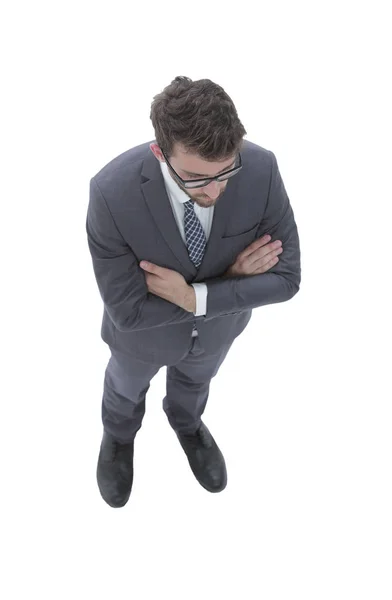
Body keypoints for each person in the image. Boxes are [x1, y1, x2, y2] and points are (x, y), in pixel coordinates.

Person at [86, 75, 301, 508]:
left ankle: (187, 424)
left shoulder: (261, 168)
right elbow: (128, 312)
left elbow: (287, 279)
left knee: (197, 384)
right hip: (139, 342)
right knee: (125, 389)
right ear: (159, 152)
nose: (216, 190)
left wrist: (194, 297)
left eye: (226, 171)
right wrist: (231, 283)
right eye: (196, 177)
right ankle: (119, 437)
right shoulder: (110, 193)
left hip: (219, 333)